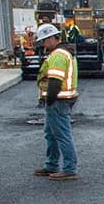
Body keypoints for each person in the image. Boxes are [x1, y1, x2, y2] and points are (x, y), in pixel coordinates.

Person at [33, 23, 79, 181]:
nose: (43, 44)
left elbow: (55, 81)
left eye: (45, 40)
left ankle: (69, 169)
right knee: (51, 134)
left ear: (53, 38)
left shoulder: (58, 55)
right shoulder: (62, 53)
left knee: (62, 135)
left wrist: (49, 99)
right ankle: (51, 165)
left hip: (58, 101)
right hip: (59, 100)